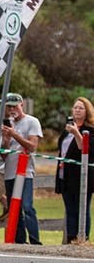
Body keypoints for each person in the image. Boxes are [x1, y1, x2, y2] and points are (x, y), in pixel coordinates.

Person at [1, 92, 42, 245]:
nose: (12, 110)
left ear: (22, 105)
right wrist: (6, 140)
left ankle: (35, 241)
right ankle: (19, 241)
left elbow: (32, 146)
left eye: (15, 106)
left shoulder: (32, 122)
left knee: (27, 206)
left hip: (26, 171)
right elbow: (4, 156)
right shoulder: (6, 124)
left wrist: (15, 134)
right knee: (14, 209)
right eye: (9, 107)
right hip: (10, 171)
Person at [55, 97, 94, 243]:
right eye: (75, 107)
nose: (77, 110)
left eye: (81, 108)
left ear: (87, 111)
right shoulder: (67, 130)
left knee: (82, 208)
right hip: (65, 174)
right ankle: (71, 238)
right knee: (70, 208)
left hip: (81, 175)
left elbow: (84, 148)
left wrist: (77, 133)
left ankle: (83, 238)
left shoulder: (89, 130)